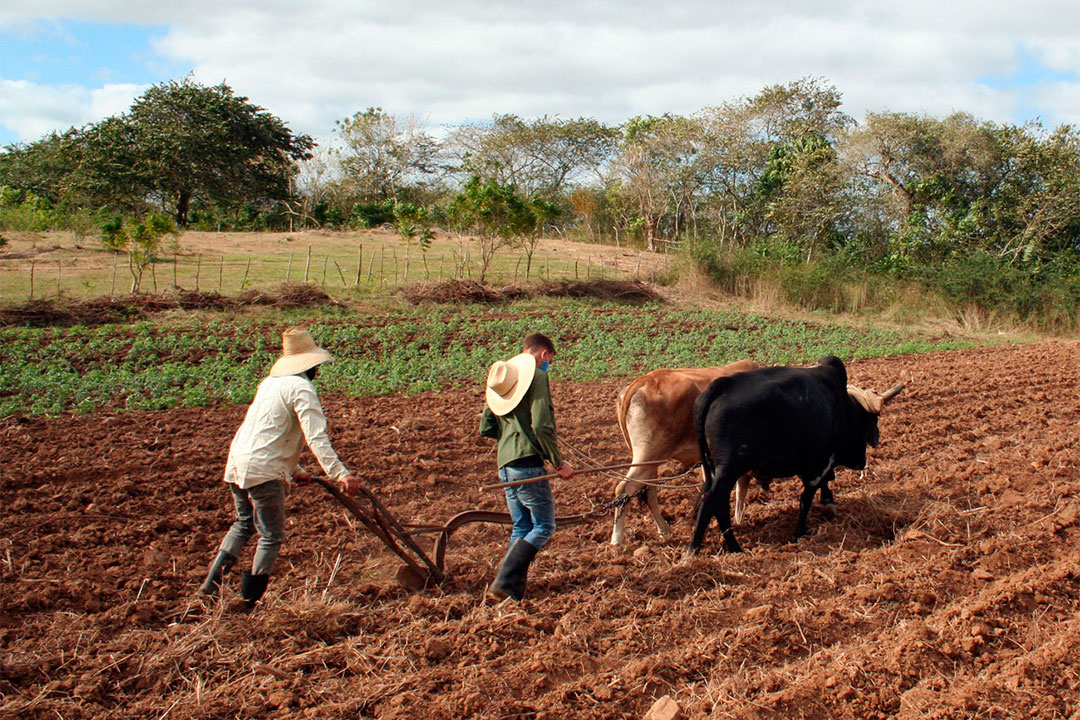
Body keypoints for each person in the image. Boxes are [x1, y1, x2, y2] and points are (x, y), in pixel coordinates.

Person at [200, 326, 360, 612]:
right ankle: (249, 603)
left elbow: (270, 434)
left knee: (243, 524)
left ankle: (209, 588)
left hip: (237, 463)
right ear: (310, 365)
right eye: (316, 365)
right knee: (271, 535)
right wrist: (341, 474)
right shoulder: (302, 389)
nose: (318, 371)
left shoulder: (269, 384)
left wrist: (296, 469)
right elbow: (315, 437)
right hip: (263, 471)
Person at [480, 332, 574, 602]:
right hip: (528, 465)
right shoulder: (537, 376)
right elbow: (542, 424)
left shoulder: (505, 382)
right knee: (544, 526)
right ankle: (504, 582)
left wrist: (512, 432)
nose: (548, 366)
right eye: (550, 361)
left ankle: (508, 590)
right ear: (544, 354)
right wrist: (558, 463)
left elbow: (486, 426)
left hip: (505, 465)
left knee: (522, 527)